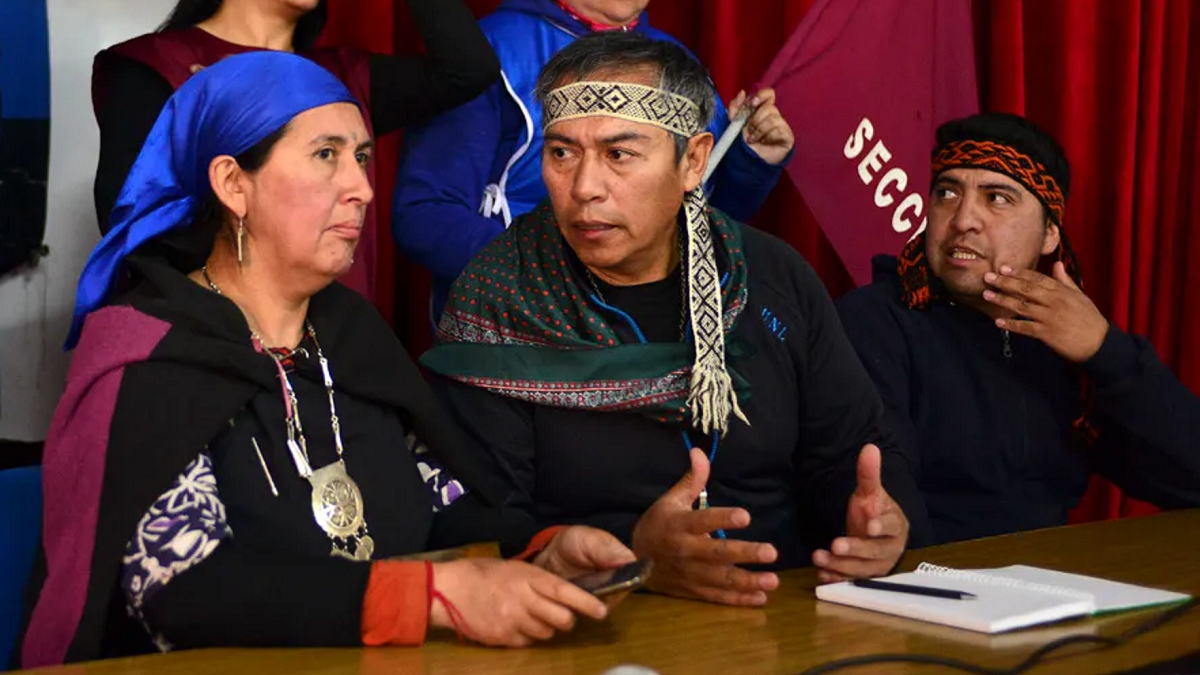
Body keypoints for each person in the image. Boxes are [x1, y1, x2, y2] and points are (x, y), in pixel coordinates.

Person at [19, 52, 635, 669]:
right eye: (326, 155)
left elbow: (440, 501)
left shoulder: (348, 331)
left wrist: (537, 551)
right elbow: (177, 591)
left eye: (362, 157)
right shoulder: (149, 352)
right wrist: (428, 598)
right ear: (234, 183)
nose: (362, 187)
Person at [421, 32, 926, 607]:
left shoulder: (770, 277)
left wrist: (878, 525)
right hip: (594, 623)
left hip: (782, 610)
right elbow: (472, 526)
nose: (585, 188)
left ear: (693, 161)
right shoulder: (500, 297)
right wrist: (632, 552)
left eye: (619, 154)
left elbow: (852, 452)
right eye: (561, 153)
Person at [836, 112, 1200, 546]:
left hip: (1054, 592)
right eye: (947, 193)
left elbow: (1189, 477)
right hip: (928, 594)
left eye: (998, 198)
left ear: (1050, 235)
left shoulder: (1061, 339)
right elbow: (887, 507)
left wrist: (1107, 353)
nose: (963, 219)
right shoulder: (873, 322)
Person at [391, 0, 796, 324]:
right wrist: (555, 280)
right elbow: (424, 214)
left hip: (652, 329)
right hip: (519, 330)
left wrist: (749, 161)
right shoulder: (494, 51)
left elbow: (700, 222)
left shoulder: (675, 63)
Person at [91, 0, 501, 305]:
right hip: (211, 348)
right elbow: (137, 235)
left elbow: (469, 68)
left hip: (334, 354)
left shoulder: (344, 77)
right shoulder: (153, 68)